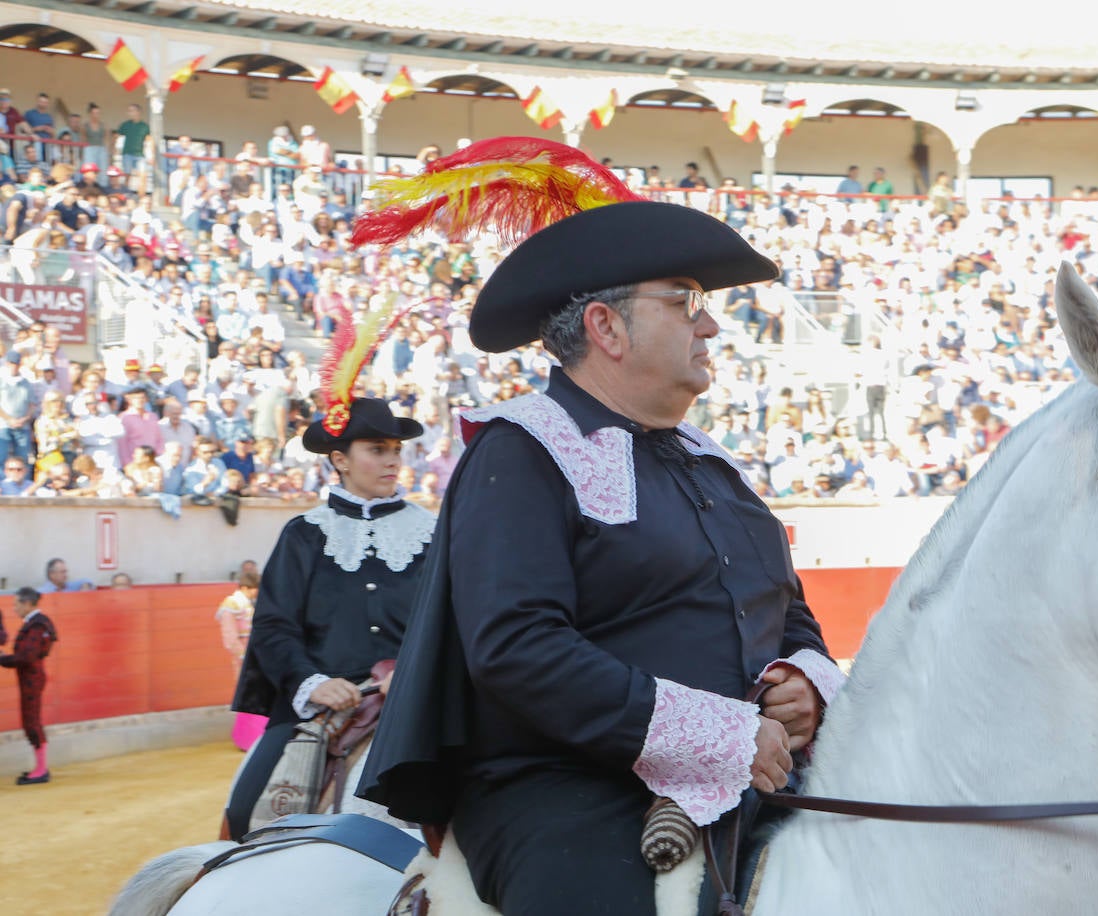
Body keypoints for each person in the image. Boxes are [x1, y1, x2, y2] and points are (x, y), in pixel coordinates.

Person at [358, 152, 842, 916]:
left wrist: (802, 688)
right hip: (563, 788)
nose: (711, 322)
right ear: (606, 326)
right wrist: (719, 734)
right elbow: (517, 648)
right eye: (685, 300)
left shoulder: (712, 465)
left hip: (747, 776)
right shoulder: (519, 451)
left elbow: (789, 614)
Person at [223, 393, 436, 840]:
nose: (392, 461)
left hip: (419, 700)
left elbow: (454, 621)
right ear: (339, 458)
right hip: (321, 706)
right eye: (377, 450)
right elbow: (273, 626)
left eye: (395, 451)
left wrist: (417, 674)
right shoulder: (304, 534)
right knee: (244, 811)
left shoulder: (433, 532)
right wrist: (314, 683)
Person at [1, 586, 59, 785]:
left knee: (31, 721)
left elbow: (27, 656)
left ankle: (41, 770)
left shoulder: (37, 625)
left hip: (31, 677)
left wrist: (3, 659)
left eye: (16, 604)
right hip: (31, 676)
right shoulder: (37, 623)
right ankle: (40, 768)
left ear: (27, 603)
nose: (14, 608)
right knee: (31, 720)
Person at [217, 569, 267, 751]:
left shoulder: (246, 604)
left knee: (256, 693)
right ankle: (247, 738)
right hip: (245, 658)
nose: (256, 592)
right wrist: (246, 658)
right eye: (253, 589)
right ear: (245, 587)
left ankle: (254, 737)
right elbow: (230, 637)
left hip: (255, 655)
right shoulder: (231, 605)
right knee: (248, 694)